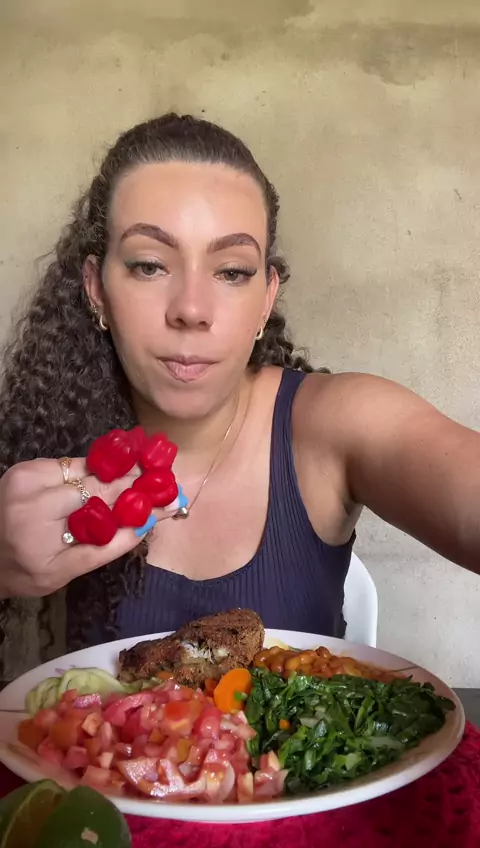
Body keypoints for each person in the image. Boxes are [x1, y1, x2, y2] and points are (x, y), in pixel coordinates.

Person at [0, 113, 479, 685]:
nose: (192, 309)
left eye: (231, 271)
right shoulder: (50, 432)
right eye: (149, 265)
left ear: (266, 298)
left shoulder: (333, 422)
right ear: (96, 289)